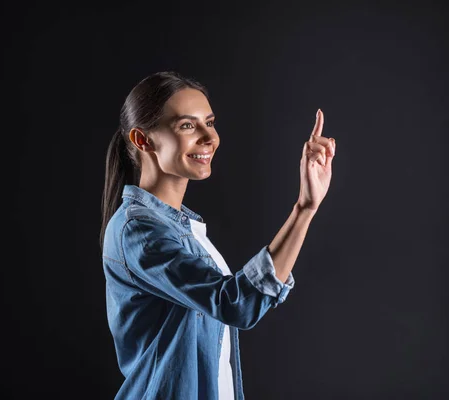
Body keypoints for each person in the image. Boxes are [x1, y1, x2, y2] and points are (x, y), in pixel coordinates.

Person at [99, 71, 336, 400]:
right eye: (187, 125)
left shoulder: (179, 228)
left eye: (209, 123)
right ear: (144, 140)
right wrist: (304, 209)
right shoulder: (139, 231)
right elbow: (236, 304)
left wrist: (307, 206)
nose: (209, 137)